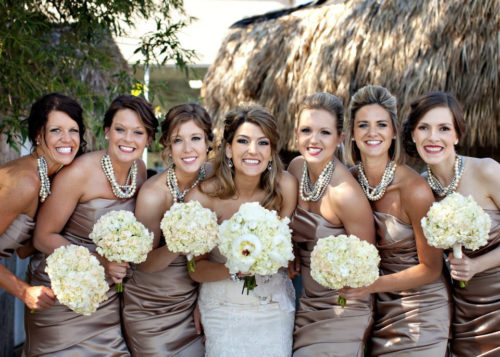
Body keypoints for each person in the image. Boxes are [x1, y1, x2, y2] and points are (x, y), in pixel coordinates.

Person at [25, 94, 158, 356]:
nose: (128, 139)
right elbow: (42, 237)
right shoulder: (79, 173)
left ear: (148, 139)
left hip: (107, 294)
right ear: (107, 131)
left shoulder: (140, 170)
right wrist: (100, 259)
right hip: (64, 291)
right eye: (120, 129)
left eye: (137, 132)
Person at [340, 85, 451, 355]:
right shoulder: (349, 182)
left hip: (422, 310)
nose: (372, 132)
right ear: (352, 134)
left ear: (392, 131)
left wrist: (372, 285)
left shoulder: (413, 189)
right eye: (363, 125)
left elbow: (432, 268)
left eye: (381, 124)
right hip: (377, 310)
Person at [187, 104, 298, 357]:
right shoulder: (203, 198)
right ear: (228, 149)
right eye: (243, 141)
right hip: (222, 309)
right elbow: (195, 269)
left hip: (273, 307)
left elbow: (285, 249)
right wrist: (234, 268)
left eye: (262, 143)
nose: (252, 151)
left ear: (271, 151)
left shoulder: (285, 188)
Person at [403, 91, 500, 357]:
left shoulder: (486, 172)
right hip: (462, 315)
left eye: (443, 128)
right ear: (413, 134)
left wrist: (477, 265)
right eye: (424, 128)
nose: (433, 137)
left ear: (457, 135)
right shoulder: (419, 189)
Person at [287, 92, 375, 356]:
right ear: (296, 134)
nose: (313, 140)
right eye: (306, 130)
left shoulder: (345, 194)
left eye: (325, 132)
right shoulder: (295, 168)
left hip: (343, 309)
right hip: (305, 303)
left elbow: (367, 265)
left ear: (340, 139)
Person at [122, 103, 213, 356]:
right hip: (152, 307)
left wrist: (204, 300)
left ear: (208, 143)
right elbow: (143, 263)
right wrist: (177, 243)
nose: (188, 149)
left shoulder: (215, 179)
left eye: (195, 138)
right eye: (178, 140)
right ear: (168, 148)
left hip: (193, 299)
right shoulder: (153, 195)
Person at [0, 93, 85, 312]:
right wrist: (24, 291)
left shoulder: (49, 177)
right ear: (39, 134)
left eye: (73, 130)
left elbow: (23, 251)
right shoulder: (26, 182)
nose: (67, 139)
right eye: (56, 130)